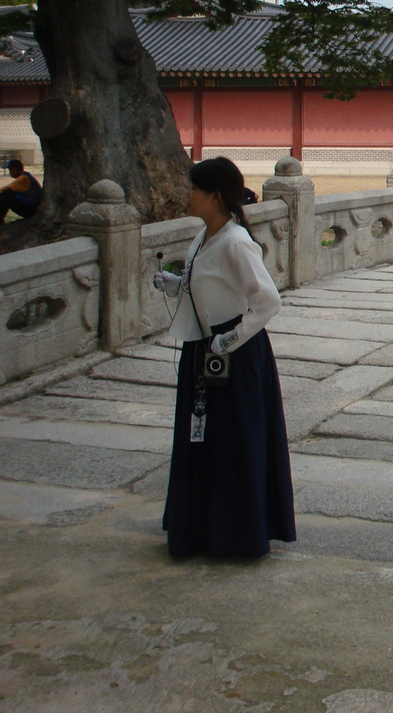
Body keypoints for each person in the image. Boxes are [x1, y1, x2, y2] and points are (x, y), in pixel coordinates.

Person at [152, 157, 295, 560]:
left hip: (234, 355)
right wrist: (176, 284)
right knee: (202, 440)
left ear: (214, 196)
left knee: (233, 441)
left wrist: (229, 339)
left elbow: (268, 301)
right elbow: (210, 286)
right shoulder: (203, 237)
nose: (189, 195)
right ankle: (200, 528)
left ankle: (236, 534)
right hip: (202, 346)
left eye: (195, 189)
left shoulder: (236, 241)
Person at [0, 159, 43, 224]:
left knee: (5, 195)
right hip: (31, 206)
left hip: (31, 208)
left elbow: (4, 189)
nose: (10, 172)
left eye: (10, 170)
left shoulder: (24, 178)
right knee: (5, 195)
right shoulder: (26, 176)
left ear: (16, 169)